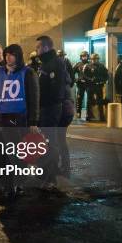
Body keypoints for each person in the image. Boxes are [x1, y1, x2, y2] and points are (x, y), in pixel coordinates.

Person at [0, 44, 39, 199]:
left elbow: (34, 99)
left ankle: (14, 184)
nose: (8, 57)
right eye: (6, 54)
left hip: (20, 118)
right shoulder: (0, 72)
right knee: (2, 153)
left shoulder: (28, 73)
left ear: (18, 56)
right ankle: (11, 184)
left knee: (16, 154)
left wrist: (33, 121)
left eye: (11, 54)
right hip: (2, 118)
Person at [36, 35, 69, 187]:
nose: (36, 50)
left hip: (50, 107)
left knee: (51, 140)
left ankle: (51, 175)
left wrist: (47, 102)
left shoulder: (55, 63)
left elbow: (57, 88)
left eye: (38, 47)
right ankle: (47, 172)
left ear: (46, 47)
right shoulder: (45, 63)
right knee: (47, 140)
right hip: (45, 107)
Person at [83, 53, 108, 121]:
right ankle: (88, 116)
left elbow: (106, 75)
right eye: (93, 59)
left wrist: (103, 81)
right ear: (91, 59)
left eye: (96, 59)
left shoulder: (102, 66)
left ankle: (101, 116)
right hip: (90, 86)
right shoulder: (87, 66)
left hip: (99, 86)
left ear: (98, 59)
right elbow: (84, 76)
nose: (94, 60)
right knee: (89, 101)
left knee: (100, 101)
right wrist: (90, 80)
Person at [73, 50, 90, 119]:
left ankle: (88, 114)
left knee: (89, 99)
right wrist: (76, 80)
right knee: (79, 99)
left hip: (88, 84)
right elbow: (72, 73)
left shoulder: (90, 64)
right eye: (83, 56)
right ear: (81, 57)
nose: (84, 57)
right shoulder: (78, 64)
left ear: (87, 57)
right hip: (80, 84)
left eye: (85, 56)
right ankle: (79, 112)